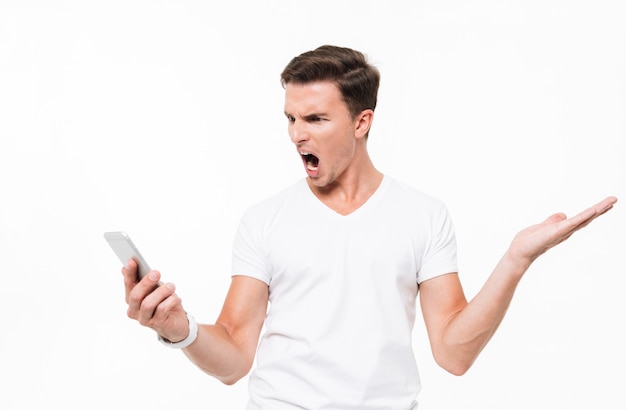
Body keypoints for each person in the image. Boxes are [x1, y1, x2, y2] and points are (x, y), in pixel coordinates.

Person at [122, 45, 617, 409]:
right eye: (291, 118)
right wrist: (179, 330)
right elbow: (232, 357)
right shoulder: (264, 221)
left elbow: (454, 353)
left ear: (362, 122)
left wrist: (516, 260)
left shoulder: (423, 215)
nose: (297, 135)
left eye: (315, 118)